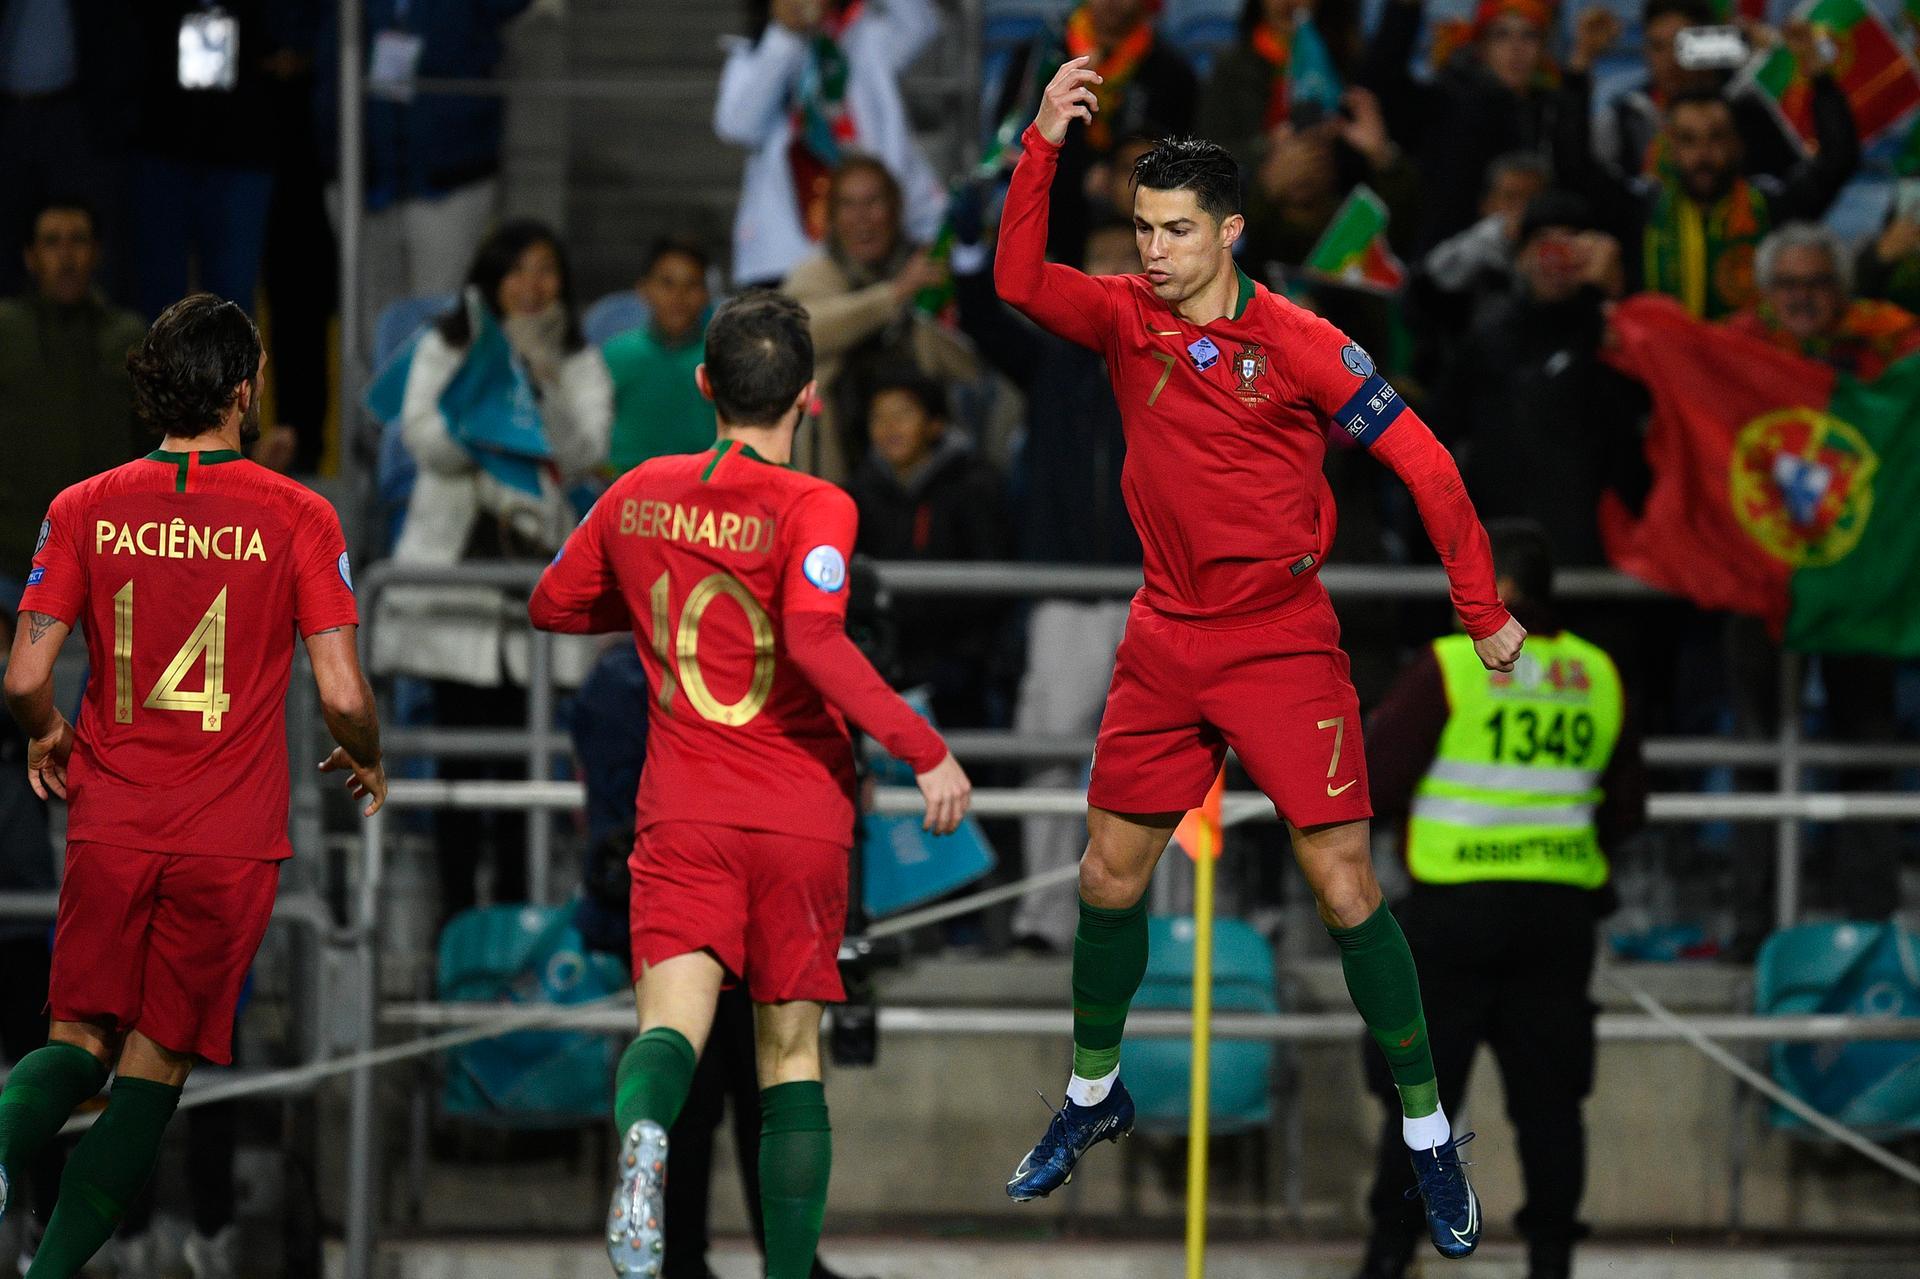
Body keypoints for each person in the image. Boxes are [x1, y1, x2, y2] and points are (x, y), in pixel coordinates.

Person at [993, 60, 1525, 1260]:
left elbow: (1431, 468)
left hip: (1282, 644)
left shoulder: (1303, 342)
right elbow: (1018, 279)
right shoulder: (1124, 318)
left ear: (1231, 231)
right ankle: (1091, 1095)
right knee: (1106, 881)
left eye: (1176, 232)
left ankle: (1432, 1134)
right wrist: (1040, 146)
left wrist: (1481, 608)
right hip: (1166, 637)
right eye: (1140, 229)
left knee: (1346, 889)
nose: (1152, 253)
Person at [527, 290, 972, 1279]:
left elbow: (553, 601)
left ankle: (644, 1137)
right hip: (798, 814)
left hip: (684, 808)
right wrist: (922, 744)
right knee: (788, 1059)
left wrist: (649, 604)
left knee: (669, 1031)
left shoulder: (639, 489)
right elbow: (814, 637)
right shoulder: (819, 505)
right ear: (808, 398)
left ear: (702, 385)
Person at [0, 292, 387, 1279]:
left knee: (77, 1039)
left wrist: (47, 732)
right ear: (245, 389)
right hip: (228, 840)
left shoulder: (81, 505)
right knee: (154, 1069)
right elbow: (342, 692)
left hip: (112, 822)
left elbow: (22, 677)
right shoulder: (298, 514)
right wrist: (368, 751)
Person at [1353, 519, 1644, 1279]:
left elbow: (1375, 783)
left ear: (1504, 590)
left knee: (1420, 1101)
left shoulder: (1451, 665)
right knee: (1550, 1108)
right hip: (1558, 919)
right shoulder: (1598, 672)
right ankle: (1551, 1262)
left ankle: (1389, 1256)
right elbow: (1626, 810)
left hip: (1453, 918)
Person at [380, 220, 611, 921]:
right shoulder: (445, 345)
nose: (532, 285)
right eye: (518, 270)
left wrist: (539, 386)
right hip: (458, 589)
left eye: (546, 270)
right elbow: (423, 437)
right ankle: (455, 930)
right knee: (458, 769)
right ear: (491, 278)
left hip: (532, 584)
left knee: (518, 775)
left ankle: (510, 930)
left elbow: (582, 450)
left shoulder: (577, 359)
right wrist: (488, 406)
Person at [953, 216, 1141, 952]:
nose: (1111, 277)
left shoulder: (1186, 353)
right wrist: (970, 242)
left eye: (1126, 261)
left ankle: (1181, 927)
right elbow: (976, 314)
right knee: (1052, 755)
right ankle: (1044, 920)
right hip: (1064, 595)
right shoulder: (1052, 359)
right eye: (1095, 263)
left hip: (1156, 591)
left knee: (1170, 766)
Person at [1556, 16, 1859, 320]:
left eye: (1716, 137)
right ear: (1669, 149)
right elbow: (1574, 166)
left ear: (1738, 146)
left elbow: (1837, 161)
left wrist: (1818, 73)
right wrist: (1580, 64)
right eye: (1688, 141)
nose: (1703, 154)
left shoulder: (1770, 209)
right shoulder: (1638, 212)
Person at [1427, 192, 1647, 569]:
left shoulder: (1617, 337)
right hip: (1503, 555)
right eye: (1542, 243)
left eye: (1571, 245)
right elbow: (1438, 430)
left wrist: (1605, 294)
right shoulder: (1489, 338)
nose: (1555, 258)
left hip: (1594, 558)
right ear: (1522, 255)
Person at [313, 0, 536, 361]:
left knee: (439, 313)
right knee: (369, 319)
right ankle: (381, 415)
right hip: (359, 170)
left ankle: (429, 412)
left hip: (449, 170)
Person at [714, 0, 946, 288]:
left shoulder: (868, 34)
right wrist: (785, 35)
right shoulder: (760, 49)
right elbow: (737, 126)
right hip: (787, 253)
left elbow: (922, 24)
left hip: (878, 245)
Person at [781, 156, 976, 487]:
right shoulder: (815, 274)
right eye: (848, 205)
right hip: (834, 469)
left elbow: (972, 369)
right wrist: (895, 296)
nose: (862, 219)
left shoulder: (929, 270)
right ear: (831, 216)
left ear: (896, 209)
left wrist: (921, 311)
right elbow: (800, 333)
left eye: (873, 202)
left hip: (926, 477)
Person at [0, 199, 147, 593]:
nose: (66, 257)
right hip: (11, 567)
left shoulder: (130, 338)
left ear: (96, 253)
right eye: (52, 243)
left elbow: (163, 444)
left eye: (77, 241)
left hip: (109, 570)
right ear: (30, 257)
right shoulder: (5, 330)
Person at [848, 371, 1010, 729]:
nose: (890, 426)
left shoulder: (973, 486)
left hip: (958, 675)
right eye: (879, 416)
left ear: (935, 423)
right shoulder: (855, 494)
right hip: (880, 670)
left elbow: (992, 582)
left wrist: (964, 658)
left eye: (903, 413)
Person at [129, 1, 308, 325]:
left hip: (244, 143)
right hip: (162, 135)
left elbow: (294, 34)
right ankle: (159, 376)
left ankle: (229, 376)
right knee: (157, 298)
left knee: (231, 307)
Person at [1359, 0, 1557, 252]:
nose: (1516, 48)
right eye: (1501, 35)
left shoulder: (1552, 111)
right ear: (1481, 46)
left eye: (1529, 35)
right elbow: (1380, 87)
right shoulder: (1448, 99)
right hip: (1442, 262)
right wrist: (1404, 10)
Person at [1042, 0, 1198, 267]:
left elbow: (1185, 157)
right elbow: (1017, 137)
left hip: (1141, 209)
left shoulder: (1172, 72)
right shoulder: (1043, 59)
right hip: (1059, 203)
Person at [0, 0, 137, 301]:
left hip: (83, 113)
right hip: (9, 112)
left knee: (92, 255)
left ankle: (98, 346)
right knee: (8, 250)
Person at [1588, 0, 1796, 182]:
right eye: (1658, 47)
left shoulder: (1745, 107)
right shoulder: (1625, 115)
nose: (1670, 60)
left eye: (1682, 46)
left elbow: (1796, 181)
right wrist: (1580, 64)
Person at [1238, 85, 1418, 275]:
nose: (1303, 165)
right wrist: (1266, 189)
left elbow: (1398, 240)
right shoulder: (1248, 220)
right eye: (1294, 152)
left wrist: (1382, 158)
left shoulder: (1350, 223)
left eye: (1317, 152)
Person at [1725, 222, 1920, 381]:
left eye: (1817, 282)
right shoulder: (1741, 337)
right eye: (1788, 284)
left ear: (1840, 288)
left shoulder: (1887, 331)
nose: (1803, 296)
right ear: (1766, 291)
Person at [1196, 0, 1365, 173]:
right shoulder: (1231, 67)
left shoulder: (1343, 63)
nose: (1288, 2)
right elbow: (1205, 155)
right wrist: (1266, 150)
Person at [604, 237, 718, 474]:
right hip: (626, 493)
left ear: (707, 294)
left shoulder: (724, 358)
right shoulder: (614, 356)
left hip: (705, 495)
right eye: (667, 283)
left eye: (691, 284)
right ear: (643, 289)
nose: (679, 296)